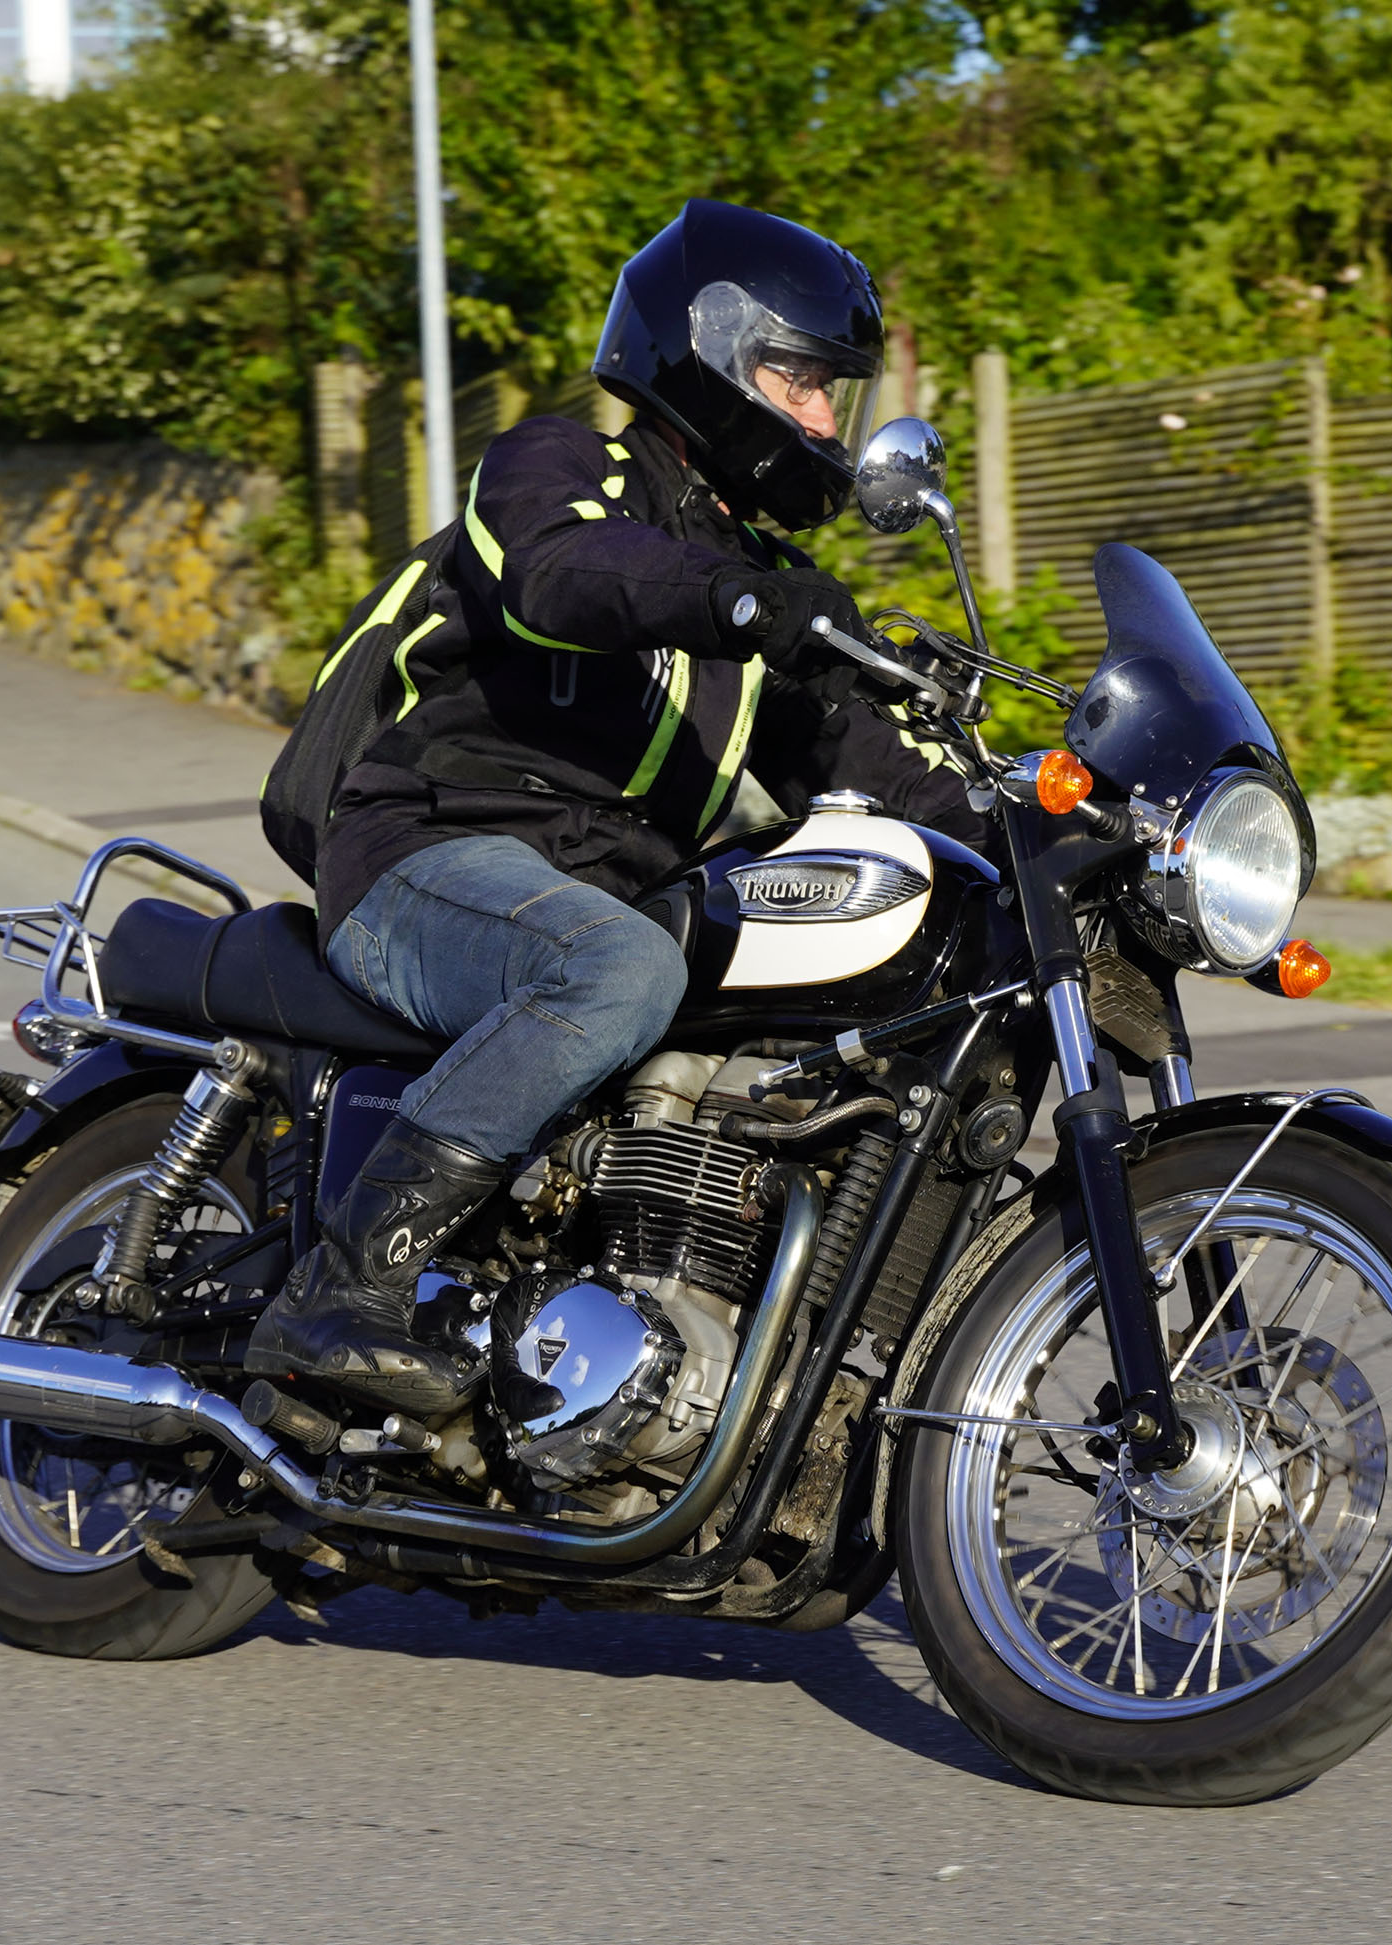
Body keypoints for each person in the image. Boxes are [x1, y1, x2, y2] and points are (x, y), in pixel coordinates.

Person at [247, 199, 989, 1417]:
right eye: (803, 382)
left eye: (832, 394)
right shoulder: (558, 469)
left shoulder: (773, 591)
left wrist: (1051, 831)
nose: (824, 422)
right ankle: (343, 1288)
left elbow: (887, 774)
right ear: (712, 353)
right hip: (424, 859)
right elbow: (564, 573)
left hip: (590, 900)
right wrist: (743, 604)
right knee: (618, 968)